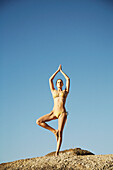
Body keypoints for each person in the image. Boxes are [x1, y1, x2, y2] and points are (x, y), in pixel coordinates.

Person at [36, 65, 70, 156]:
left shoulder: (65, 92)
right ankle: (53, 131)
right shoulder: (53, 91)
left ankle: (57, 152)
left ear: (62, 84)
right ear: (56, 84)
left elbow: (68, 79)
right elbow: (50, 80)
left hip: (62, 113)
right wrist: (57, 71)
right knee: (39, 121)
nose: (59, 83)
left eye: (60, 82)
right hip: (53, 112)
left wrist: (61, 72)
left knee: (61, 132)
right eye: (58, 82)